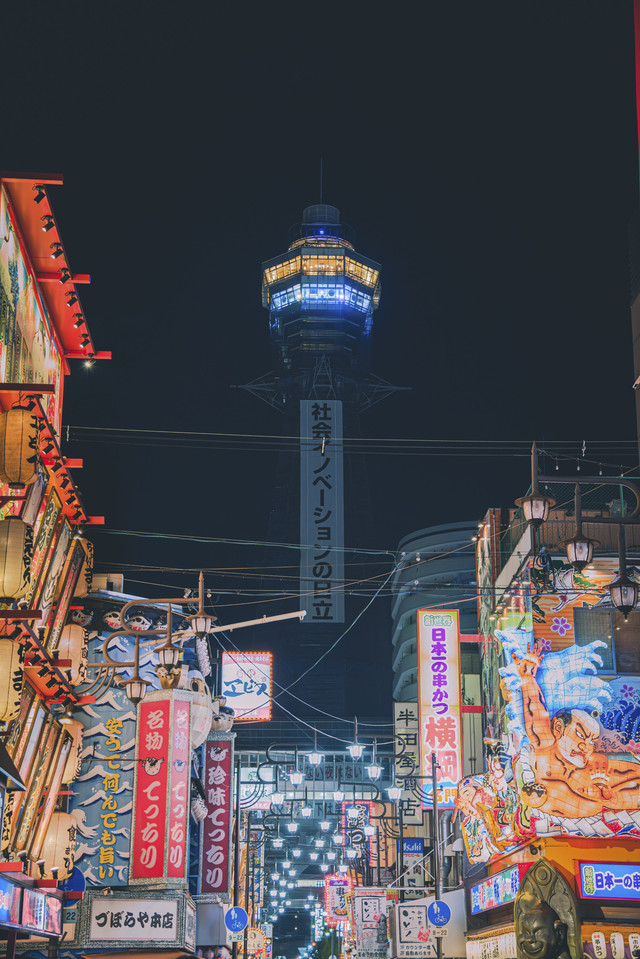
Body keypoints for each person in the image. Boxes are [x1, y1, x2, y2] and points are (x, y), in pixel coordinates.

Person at [513, 642, 640, 818]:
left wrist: (611, 797)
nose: (585, 747)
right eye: (580, 735)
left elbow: (635, 776)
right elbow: (535, 712)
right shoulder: (546, 749)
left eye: (592, 741)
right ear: (558, 728)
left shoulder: (593, 771)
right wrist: (527, 678)